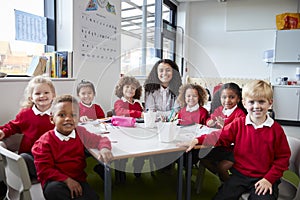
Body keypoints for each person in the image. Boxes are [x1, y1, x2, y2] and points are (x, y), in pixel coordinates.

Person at [179, 80, 291, 200]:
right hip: (240, 176)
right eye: (251, 102)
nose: (256, 106)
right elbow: (220, 136)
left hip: (264, 177)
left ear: (270, 103)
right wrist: (197, 140)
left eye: (261, 102)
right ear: (244, 103)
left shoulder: (276, 130)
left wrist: (269, 179)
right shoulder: (239, 124)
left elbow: (283, 159)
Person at [32, 94, 113, 200]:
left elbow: (100, 139)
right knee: (53, 190)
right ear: (52, 119)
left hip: (78, 180)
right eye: (61, 115)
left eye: (73, 115)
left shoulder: (81, 133)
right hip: (56, 182)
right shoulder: (43, 143)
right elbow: (45, 170)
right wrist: (67, 180)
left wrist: (104, 148)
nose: (68, 119)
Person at [0, 75, 56, 180]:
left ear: (53, 95)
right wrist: (3, 131)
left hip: (51, 155)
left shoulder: (59, 113)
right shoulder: (26, 114)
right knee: (24, 159)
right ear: (31, 98)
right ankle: (47, 176)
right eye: (37, 93)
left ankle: (50, 175)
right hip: (31, 155)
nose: (42, 96)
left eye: (46, 92)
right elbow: (13, 126)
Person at [143, 59, 183, 175]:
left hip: (172, 127)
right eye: (161, 70)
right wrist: (165, 114)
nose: (164, 73)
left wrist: (158, 113)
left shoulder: (179, 89)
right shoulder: (150, 89)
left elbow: (176, 112)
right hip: (154, 126)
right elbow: (150, 111)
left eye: (168, 70)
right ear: (156, 72)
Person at [202, 82, 247, 181]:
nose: (227, 100)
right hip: (221, 146)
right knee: (203, 159)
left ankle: (228, 184)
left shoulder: (240, 114)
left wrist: (225, 126)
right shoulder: (219, 110)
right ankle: (224, 179)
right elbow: (208, 121)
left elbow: (239, 133)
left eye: (231, 97)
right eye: (224, 97)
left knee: (222, 167)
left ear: (238, 99)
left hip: (235, 150)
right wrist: (211, 122)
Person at [113, 76, 144, 181]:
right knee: (122, 153)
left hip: (137, 133)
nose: (130, 90)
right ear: (121, 88)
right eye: (127, 87)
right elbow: (121, 112)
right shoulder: (119, 103)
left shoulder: (138, 104)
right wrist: (139, 114)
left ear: (136, 91)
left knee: (143, 148)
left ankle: (138, 166)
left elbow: (142, 117)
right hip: (123, 134)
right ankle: (120, 172)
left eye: (133, 88)